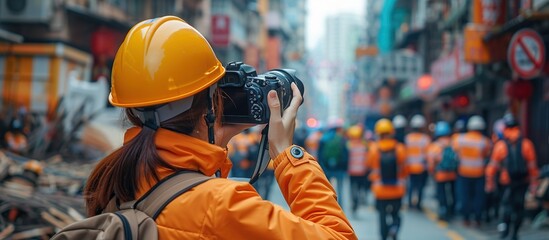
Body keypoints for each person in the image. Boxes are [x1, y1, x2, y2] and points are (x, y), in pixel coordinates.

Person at [83, 16, 356, 239]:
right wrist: (286, 153)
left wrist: (210, 141)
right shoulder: (220, 205)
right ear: (208, 105)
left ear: (131, 109)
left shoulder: (112, 181)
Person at [486, 114, 538, 240]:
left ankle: (505, 231)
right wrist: (534, 184)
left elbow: (492, 167)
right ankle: (515, 233)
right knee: (519, 207)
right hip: (522, 181)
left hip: (506, 181)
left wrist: (489, 182)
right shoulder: (527, 144)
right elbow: (532, 167)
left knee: (506, 206)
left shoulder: (501, 145)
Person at [366, 119, 407, 240]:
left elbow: (368, 164)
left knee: (382, 215)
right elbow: (405, 169)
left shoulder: (373, 149)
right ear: (391, 132)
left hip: (380, 190)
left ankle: (384, 235)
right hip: (397, 189)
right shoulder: (400, 149)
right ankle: (394, 228)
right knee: (396, 214)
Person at [453, 115, 492, 227]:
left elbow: (454, 151)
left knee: (465, 197)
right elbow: (486, 156)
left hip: (463, 173)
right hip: (479, 173)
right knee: (478, 197)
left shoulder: (459, 139)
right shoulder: (485, 142)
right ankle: (478, 219)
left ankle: (466, 219)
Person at [427, 121, 457, 221]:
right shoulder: (454, 143)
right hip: (452, 174)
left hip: (440, 175)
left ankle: (443, 211)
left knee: (442, 194)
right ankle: (452, 211)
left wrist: (432, 172)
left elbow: (431, 162)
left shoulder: (435, 146)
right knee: (452, 193)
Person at [318, 120, 349, 209]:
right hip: (339, 168)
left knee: (328, 188)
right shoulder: (342, 139)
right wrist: (345, 168)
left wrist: (321, 167)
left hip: (327, 168)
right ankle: (340, 207)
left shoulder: (324, 139)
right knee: (340, 188)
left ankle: (329, 206)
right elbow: (346, 154)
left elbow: (320, 155)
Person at [404, 114, 431, 210]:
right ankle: (418, 204)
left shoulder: (407, 138)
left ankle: (411, 203)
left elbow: (404, 153)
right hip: (421, 167)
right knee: (420, 186)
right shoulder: (425, 139)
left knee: (411, 185)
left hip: (410, 167)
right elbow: (428, 154)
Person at [346, 125, 370, 217]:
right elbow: (368, 158)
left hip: (352, 171)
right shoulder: (364, 145)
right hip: (362, 171)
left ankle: (354, 201)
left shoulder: (349, 145)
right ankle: (357, 200)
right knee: (360, 188)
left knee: (352, 188)